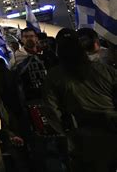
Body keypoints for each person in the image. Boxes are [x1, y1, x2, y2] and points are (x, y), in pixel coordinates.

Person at [43, 28, 117, 172]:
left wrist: (68, 137)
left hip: (84, 142)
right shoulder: (105, 70)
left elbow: (52, 112)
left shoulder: (53, 77)